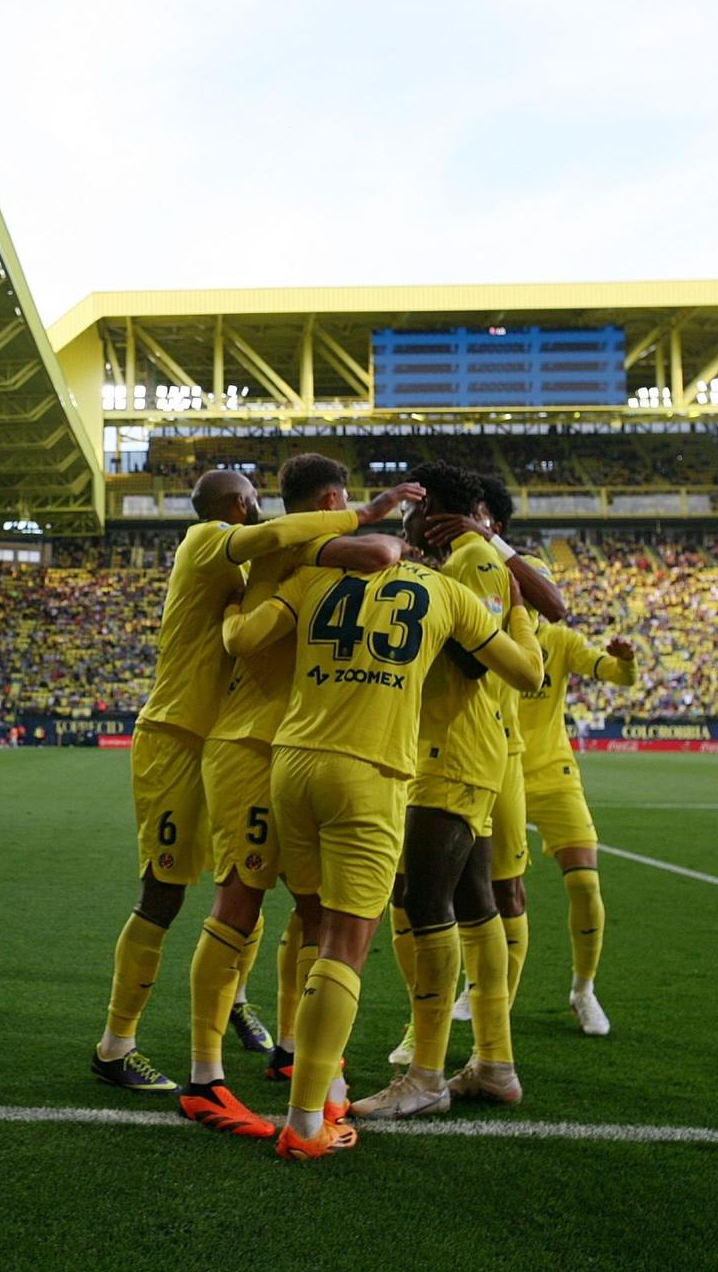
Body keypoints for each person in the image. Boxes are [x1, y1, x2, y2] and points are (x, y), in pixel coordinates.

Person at [91, 466, 419, 1095]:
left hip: (230, 737)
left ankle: (235, 998)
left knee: (247, 876)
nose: (264, 511)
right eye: (255, 502)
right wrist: (367, 513)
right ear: (237, 506)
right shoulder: (206, 539)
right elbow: (281, 542)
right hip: (176, 736)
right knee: (164, 894)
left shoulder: (248, 570)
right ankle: (116, 1045)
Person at [221, 520, 543, 1160]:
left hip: (291, 764)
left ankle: (326, 1080)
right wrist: (518, 609)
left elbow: (246, 637)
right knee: (346, 943)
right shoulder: (444, 594)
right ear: (420, 552)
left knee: (313, 924)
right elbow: (527, 676)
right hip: (368, 773)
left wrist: (236, 600)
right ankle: (308, 1123)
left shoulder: (314, 578)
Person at [178, 454, 410, 1135]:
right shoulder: (300, 543)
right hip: (248, 743)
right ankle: (203, 1078)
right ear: (332, 498)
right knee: (240, 901)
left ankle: (310, 1059)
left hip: (290, 747)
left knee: (317, 910)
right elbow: (369, 551)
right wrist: (385, 534)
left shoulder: (294, 546)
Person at [358, 461, 531, 1117]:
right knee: (471, 900)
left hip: (454, 751)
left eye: (410, 511)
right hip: (452, 745)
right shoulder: (462, 558)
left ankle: (425, 1076)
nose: (404, 523)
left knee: (422, 897)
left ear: (429, 512)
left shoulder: (475, 559)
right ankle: (493, 1061)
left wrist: (418, 582)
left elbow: (468, 652)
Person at [424, 478, 566, 1029]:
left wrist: (488, 542)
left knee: (502, 884)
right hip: (452, 741)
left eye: (476, 514)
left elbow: (555, 606)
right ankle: (473, 1008)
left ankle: (495, 1004)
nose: (458, 521)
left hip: (499, 747)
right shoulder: (451, 566)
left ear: (495, 523)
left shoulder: (515, 563)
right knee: (446, 886)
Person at [513, 618, 636, 1036]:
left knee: (585, 883)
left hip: (553, 774)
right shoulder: (486, 631)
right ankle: (479, 986)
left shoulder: (560, 640)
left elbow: (616, 675)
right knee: (491, 891)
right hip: (498, 771)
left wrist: (626, 662)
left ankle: (584, 990)